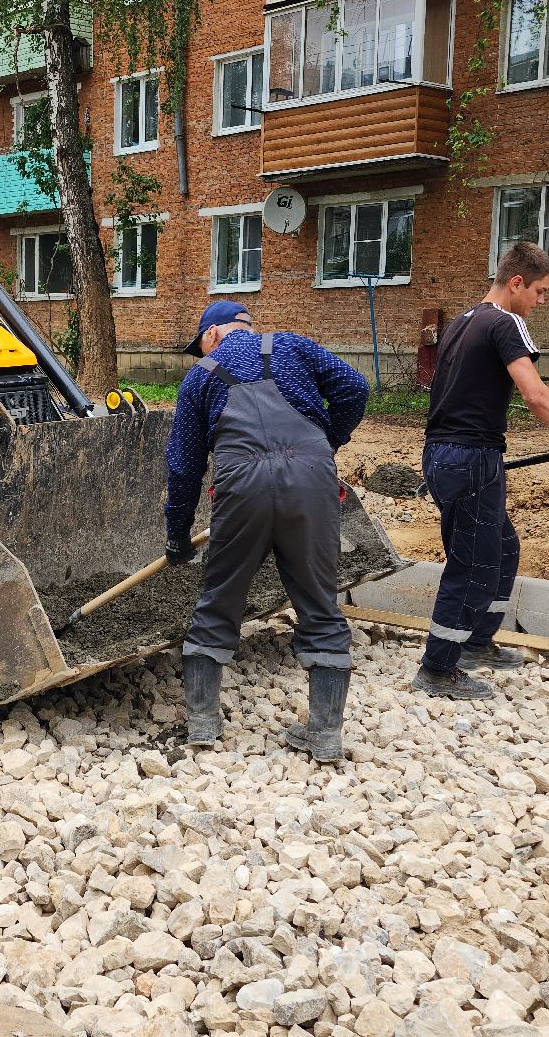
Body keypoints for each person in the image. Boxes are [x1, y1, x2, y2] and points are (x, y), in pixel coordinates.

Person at [164, 300, 372, 762]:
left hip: (241, 483)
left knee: (220, 597)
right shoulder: (295, 347)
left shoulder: (200, 378)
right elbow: (355, 387)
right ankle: (325, 735)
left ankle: (202, 723)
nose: (202, 354)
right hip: (312, 478)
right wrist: (323, 443)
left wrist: (177, 535)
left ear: (213, 335)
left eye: (200, 345)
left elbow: (183, 467)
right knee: (319, 602)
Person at [415, 242, 549, 700]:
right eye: (540, 291)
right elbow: (535, 395)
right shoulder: (505, 323)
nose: (542, 301)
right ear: (516, 282)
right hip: (470, 459)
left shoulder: (462, 323)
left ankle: (477, 642)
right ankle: (438, 668)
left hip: (446, 454)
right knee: (475, 562)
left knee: (501, 546)